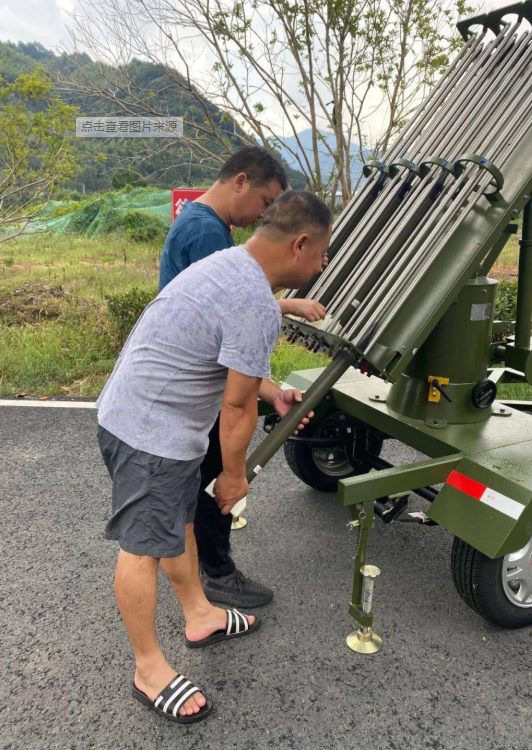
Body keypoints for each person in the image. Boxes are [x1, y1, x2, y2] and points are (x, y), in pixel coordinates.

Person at [96, 190, 333, 723]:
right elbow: (235, 404)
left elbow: (232, 363)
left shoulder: (231, 264)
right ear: (299, 244)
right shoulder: (253, 299)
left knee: (177, 526)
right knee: (142, 549)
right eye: (322, 254)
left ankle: (199, 614)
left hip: (153, 419)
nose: (322, 265)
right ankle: (148, 668)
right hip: (148, 433)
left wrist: (273, 392)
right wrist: (233, 477)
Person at [159, 147, 327, 608]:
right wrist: (236, 473)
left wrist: (268, 390)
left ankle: (196, 567)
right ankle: (216, 572)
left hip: (185, 378)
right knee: (213, 478)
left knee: (192, 483)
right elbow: (238, 316)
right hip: (200, 385)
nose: (263, 215)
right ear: (240, 181)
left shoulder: (199, 222)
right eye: (264, 201)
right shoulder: (207, 233)